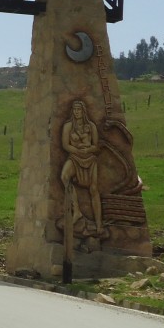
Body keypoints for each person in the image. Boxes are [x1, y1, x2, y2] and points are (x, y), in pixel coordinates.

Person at [61, 99, 102, 231]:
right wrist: (77, 150)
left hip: (90, 159)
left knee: (94, 189)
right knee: (64, 176)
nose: (76, 112)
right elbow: (65, 145)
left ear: (83, 111)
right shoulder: (68, 126)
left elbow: (96, 146)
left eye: (79, 109)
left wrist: (88, 149)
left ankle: (99, 224)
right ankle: (77, 211)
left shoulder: (91, 126)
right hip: (74, 157)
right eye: (74, 109)